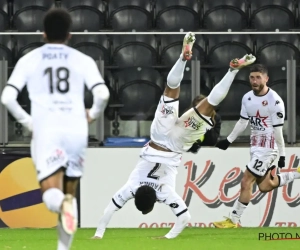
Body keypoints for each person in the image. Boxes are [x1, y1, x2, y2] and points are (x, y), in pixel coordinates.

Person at [92, 32, 256, 239]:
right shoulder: (131, 188)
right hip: (158, 137)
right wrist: (98, 234)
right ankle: (182, 58)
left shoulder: (162, 193)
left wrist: (166, 237)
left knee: (210, 105)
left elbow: (185, 218)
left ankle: (232, 71)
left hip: (177, 143)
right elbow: (109, 210)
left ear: (153, 202)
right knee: (171, 89)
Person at [1, 8, 110, 250]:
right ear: (69, 34)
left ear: (43, 34)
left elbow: (7, 97)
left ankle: (60, 205)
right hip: (76, 130)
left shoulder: (29, 59)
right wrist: (91, 115)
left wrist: (29, 122)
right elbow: (102, 93)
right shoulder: (83, 60)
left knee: (52, 194)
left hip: (47, 130)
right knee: (69, 192)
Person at [212, 64, 300, 228]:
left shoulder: (275, 101)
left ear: (266, 79)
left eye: (258, 77)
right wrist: (229, 140)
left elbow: (278, 132)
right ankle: (297, 174)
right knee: (266, 185)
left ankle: (234, 220)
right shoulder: (247, 98)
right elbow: (242, 122)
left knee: (246, 181)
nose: (254, 80)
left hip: (269, 146)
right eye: (252, 77)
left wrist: (282, 155)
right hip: (255, 145)